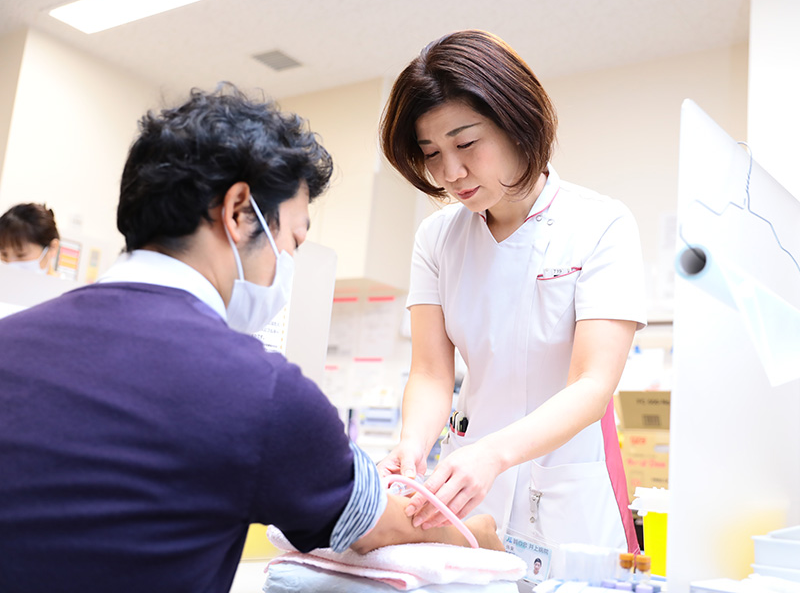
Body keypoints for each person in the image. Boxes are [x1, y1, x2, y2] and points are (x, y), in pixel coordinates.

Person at [0, 85, 501, 593]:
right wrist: (479, 537)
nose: (288, 263)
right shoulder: (258, 391)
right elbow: (387, 529)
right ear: (240, 211)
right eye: (293, 241)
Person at [377, 30, 647, 581]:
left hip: (569, 478)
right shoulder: (437, 239)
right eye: (431, 154)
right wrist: (411, 446)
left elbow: (592, 386)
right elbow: (431, 372)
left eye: (466, 143)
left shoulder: (601, 224)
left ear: (516, 121)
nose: (450, 174)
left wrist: (496, 454)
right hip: (470, 476)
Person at [0, 202, 60, 274]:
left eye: (21, 255)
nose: (10, 263)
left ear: (52, 247)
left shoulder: (67, 285)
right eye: (4, 254)